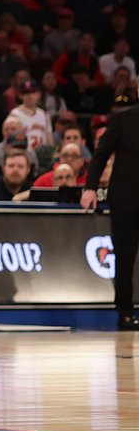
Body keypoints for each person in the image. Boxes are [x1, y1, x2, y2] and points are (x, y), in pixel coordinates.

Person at [83, 89, 139, 331]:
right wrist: (90, 188)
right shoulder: (123, 118)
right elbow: (101, 154)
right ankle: (125, 313)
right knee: (125, 258)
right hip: (127, 198)